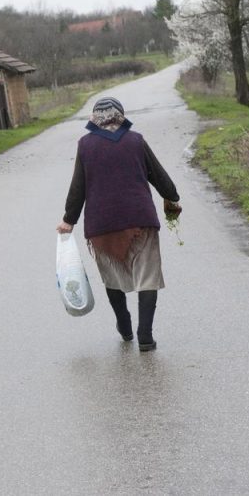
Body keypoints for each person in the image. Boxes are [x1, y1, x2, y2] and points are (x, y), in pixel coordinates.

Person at [56, 96, 181, 352]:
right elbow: (158, 175)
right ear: (121, 116)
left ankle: (124, 325)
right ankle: (145, 335)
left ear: (94, 119)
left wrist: (69, 220)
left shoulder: (85, 145)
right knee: (147, 277)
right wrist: (172, 196)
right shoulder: (136, 140)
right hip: (140, 222)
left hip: (102, 226)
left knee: (113, 278)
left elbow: (78, 187)